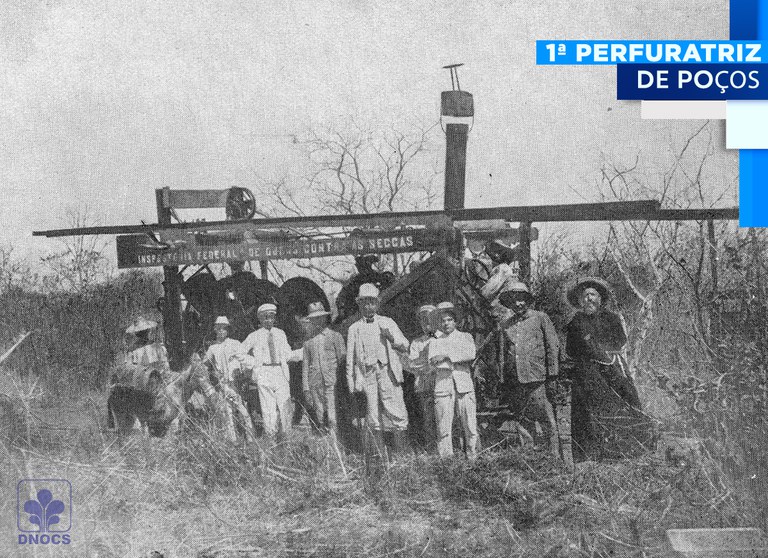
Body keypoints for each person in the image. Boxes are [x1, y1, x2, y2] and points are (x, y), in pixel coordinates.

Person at [564, 277, 649, 459]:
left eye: (593, 295)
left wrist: (601, 349)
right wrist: (588, 349)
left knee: (625, 399)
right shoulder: (576, 322)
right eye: (585, 296)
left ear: (600, 298)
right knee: (586, 411)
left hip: (611, 366)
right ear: (580, 300)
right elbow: (570, 349)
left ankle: (627, 450)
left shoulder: (611, 318)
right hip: (586, 371)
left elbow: (620, 340)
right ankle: (587, 455)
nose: (589, 299)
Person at [497, 280, 561, 460]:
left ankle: (553, 456)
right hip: (515, 380)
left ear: (527, 300)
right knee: (522, 417)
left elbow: (552, 346)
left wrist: (553, 375)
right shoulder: (505, 325)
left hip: (537, 377)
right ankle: (529, 456)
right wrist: (503, 378)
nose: (518, 303)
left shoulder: (540, 318)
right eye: (513, 300)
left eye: (521, 299)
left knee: (546, 416)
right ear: (509, 303)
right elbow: (503, 354)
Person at [346, 283, 410, 455]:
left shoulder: (387, 322)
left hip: (387, 372)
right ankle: (378, 456)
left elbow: (405, 345)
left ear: (377, 304)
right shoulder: (354, 329)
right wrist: (352, 386)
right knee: (373, 415)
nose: (368, 306)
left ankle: (402, 455)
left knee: (396, 411)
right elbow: (350, 361)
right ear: (359, 304)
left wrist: (391, 338)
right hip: (367, 375)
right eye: (364, 303)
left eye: (372, 302)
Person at [241, 303, 302, 441]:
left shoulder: (280, 334)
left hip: (280, 371)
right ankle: (271, 438)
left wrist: (304, 352)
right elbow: (240, 352)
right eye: (265, 317)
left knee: (285, 405)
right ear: (260, 319)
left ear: (274, 318)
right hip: (264, 371)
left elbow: (287, 354)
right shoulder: (254, 336)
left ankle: (287, 437)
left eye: (271, 317)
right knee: (268, 408)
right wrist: (253, 363)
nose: (268, 320)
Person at [428, 302, 478, 459]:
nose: (446, 323)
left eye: (449, 320)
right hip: (443, 384)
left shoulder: (465, 337)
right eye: (443, 320)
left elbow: (470, 354)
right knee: (443, 424)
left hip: (463, 383)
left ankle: (472, 454)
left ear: (455, 321)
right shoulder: (435, 340)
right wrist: (454, 358)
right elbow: (434, 361)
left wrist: (446, 356)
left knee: (469, 422)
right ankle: (446, 458)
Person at [202, 316, 255, 443]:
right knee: (227, 413)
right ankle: (233, 440)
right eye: (219, 328)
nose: (221, 331)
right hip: (223, 384)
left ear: (228, 330)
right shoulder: (212, 348)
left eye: (224, 329)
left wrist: (244, 374)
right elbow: (204, 365)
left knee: (242, 411)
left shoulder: (235, 343)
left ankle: (250, 437)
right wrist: (213, 374)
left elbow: (245, 359)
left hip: (237, 382)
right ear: (215, 330)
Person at [301, 302, 346, 434]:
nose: (317, 321)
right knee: (320, 413)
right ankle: (325, 439)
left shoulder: (335, 336)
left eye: (320, 318)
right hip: (315, 382)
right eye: (314, 319)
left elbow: (342, 360)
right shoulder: (308, 341)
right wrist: (306, 388)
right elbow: (305, 365)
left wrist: (342, 380)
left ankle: (335, 440)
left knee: (332, 414)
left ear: (325, 318)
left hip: (332, 381)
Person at [407, 304, 440, 452]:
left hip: (442, 384)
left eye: (430, 319)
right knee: (428, 418)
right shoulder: (416, 343)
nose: (426, 323)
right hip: (424, 385)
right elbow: (412, 364)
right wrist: (428, 362)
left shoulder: (443, 338)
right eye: (423, 320)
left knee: (444, 416)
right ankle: (432, 449)